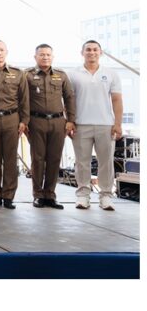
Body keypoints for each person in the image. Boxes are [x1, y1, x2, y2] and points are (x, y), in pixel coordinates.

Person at [68, 40, 122, 211]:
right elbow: (68, 100)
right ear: (82, 52)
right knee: (82, 162)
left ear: (101, 52)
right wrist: (69, 121)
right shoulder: (73, 74)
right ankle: (83, 195)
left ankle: (106, 196)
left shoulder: (111, 74)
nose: (92, 52)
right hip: (81, 124)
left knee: (106, 162)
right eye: (88, 50)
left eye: (95, 50)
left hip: (105, 125)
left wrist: (117, 123)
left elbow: (116, 99)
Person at [25, 44, 76, 210]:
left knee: (54, 159)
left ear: (52, 57)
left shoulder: (61, 75)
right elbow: (22, 100)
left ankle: (50, 194)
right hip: (36, 121)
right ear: (35, 57)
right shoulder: (27, 75)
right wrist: (24, 121)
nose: (45, 57)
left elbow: (69, 98)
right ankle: (38, 195)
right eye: (42, 55)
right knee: (38, 159)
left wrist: (70, 120)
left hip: (58, 122)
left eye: (48, 55)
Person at [0, 40, 29, 210]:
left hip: (12, 119)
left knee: (10, 159)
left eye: (1, 50)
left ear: (6, 52)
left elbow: (24, 99)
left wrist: (24, 121)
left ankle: (9, 196)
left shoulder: (18, 74)